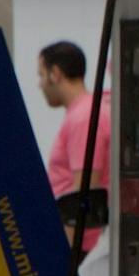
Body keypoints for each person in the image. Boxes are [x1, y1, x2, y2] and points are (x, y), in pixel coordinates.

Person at [37, 41, 111, 251]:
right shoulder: (85, 111)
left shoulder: (83, 118)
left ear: (56, 74)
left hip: (81, 245)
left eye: (41, 75)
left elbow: (83, 187)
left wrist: (64, 250)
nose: (40, 84)